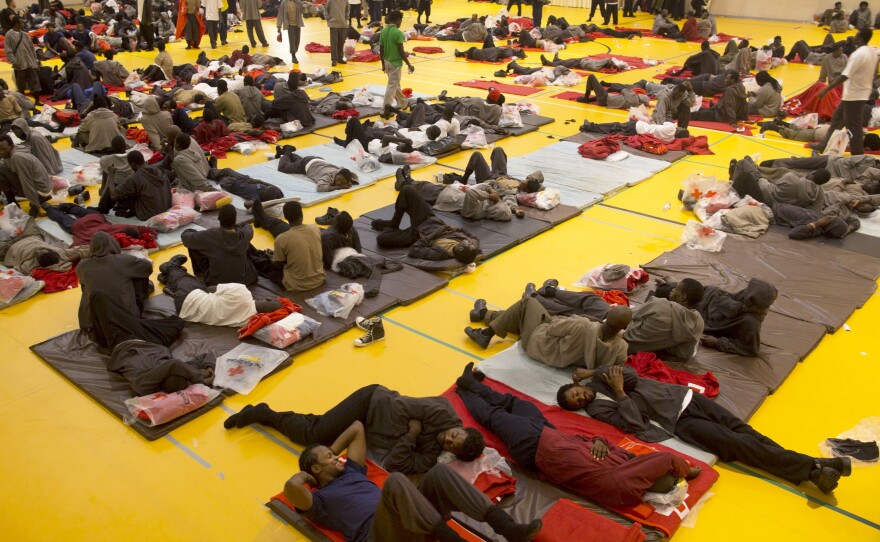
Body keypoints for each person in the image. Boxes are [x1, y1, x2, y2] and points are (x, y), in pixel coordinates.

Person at [557, 365, 852, 495]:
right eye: (576, 403)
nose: (580, 398)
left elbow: (631, 374)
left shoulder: (598, 379)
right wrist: (620, 393)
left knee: (745, 432)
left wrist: (598, 373)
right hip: (680, 423)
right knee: (735, 443)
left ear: (578, 385)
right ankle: (813, 469)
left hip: (686, 398)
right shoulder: (598, 409)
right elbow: (634, 423)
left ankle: (815, 468)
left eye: (576, 393)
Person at [456, 364, 700, 508]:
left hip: (536, 445)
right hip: (549, 436)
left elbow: (667, 460)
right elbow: (611, 449)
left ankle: (463, 388)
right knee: (516, 403)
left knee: (493, 415)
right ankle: (474, 385)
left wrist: (686, 471)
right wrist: (599, 441)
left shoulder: (625, 481)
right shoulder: (627, 481)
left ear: (647, 477)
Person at [282, 420, 542, 541]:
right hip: (380, 535)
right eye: (329, 457)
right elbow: (292, 487)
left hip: (411, 520)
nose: (336, 457)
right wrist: (308, 473)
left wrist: (325, 454)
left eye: (334, 454)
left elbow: (357, 427)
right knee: (395, 481)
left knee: (439, 473)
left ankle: (508, 529)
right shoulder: (318, 501)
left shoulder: (351, 470)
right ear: (315, 469)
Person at [225, 384, 487, 474]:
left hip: (368, 424)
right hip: (371, 401)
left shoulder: (433, 453)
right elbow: (399, 405)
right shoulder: (443, 411)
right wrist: (401, 439)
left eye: (452, 446)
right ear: (458, 428)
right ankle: (263, 413)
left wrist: (411, 435)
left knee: (320, 428)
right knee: (314, 437)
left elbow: (396, 463)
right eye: (454, 436)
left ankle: (275, 415)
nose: (448, 441)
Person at [77, 232, 184, 352]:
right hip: (125, 316)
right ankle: (145, 292)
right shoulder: (123, 261)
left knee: (91, 285)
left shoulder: (82, 266)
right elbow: (147, 268)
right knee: (138, 275)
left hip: (93, 321)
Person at [464, 295, 632, 370]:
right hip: (561, 360)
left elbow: (552, 328)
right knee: (529, 315)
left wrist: (575, 319)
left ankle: (486, 334)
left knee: (528, 303)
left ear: (607, 315)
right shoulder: (620, 348)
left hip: (538, 346)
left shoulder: (581, 325)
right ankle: (484, 314)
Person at [157, 255, 280, 326]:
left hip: (190, 297)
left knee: (189, 279)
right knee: (195, 282)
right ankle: (168, 281)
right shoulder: (246, 321)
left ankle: (171, 268)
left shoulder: (242, 292)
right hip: (185, 313)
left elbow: (210, 289)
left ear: (268, 298)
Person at [372, 185, 481, 264]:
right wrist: (456, 228)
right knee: (407, 190)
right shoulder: (472, 246)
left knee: (381, 239)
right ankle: (393, 224)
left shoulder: (439, 254)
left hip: (417, 234)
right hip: (430, 219)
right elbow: (474, 237)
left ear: (461, 249)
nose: (467, 241)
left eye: (467, 243)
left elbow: (414, 250)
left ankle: (391, 227)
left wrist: (434, 234)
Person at [814, 29, 877, 155]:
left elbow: (845, 75)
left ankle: (857, 154)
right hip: (857, 93)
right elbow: (874, 73)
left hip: (855, 96)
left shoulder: (858, 54)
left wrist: (826, 89)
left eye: (856, 35)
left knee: (853, 127)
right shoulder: (872, 52)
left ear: (860, 39)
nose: (854, 37)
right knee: (837, 119)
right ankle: (824, 144)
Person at [623, 278, 705, 360]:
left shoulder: (660, 304)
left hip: (624, 340)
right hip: (647, 349)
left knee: (617, 312)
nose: (672, 290)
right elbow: (685, 354)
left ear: (683, 297)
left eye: (676, 288)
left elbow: (628, 314)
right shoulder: (698, 321)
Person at [180, 205, 258, 286]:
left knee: (194, 243)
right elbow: (248, 227)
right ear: (235, 220)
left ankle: (200, 274)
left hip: (216, 283)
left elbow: (185, 237)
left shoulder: (210, 235)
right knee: (245, 246)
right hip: (244, 281)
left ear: (219, 218)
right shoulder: (245, 234)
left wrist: (195, 232)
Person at [262, 201, 325, 291]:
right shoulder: (315, 229)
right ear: (302, 214)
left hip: (297, 285)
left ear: (286, 217)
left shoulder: (281, 239)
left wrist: (270, 258)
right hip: (319, 279)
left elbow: (279, 266)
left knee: (270, 271)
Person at [731, 155, 829, 211]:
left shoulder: (792, 178)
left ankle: (732, 190)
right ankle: (752, 168)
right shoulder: (818, 194)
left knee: (743, 163)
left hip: (762, 194)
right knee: (761, 174)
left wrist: (761, 178)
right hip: (776, 207)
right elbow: (814, 211)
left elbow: (769, 185)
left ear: (813, 172)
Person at [111, 151, 173, 220]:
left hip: (149, 214)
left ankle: (102, 209)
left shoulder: (135, 177)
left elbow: (113, 195)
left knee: (118, 192)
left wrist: (110, 174)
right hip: (167, 208)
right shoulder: (159, 170)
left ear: (132, 164)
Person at [0, 135, 52, 217]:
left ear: (11, 146)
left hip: (40, 191)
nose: (1, 152)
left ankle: (13, 204)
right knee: (2, 169)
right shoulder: (14, 150)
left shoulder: (17, 157)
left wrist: (36, 206)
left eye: (4, 149)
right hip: (44, 187)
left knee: (1, 171)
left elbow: (27, 182)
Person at [380, 11, 414, 120]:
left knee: (395, 84)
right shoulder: (398, 33)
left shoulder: (383, 31)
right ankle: (385, 109)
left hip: (386, 62)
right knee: (392, 86)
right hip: (395, 63)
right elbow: (401, 51)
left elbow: (381, 49)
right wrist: (409, 64)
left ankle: (404, 103)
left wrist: (382, 64)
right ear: (398, 20)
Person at [4, 16, 42, 106]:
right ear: (17, 23)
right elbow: (8, 51)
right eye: (21, 22)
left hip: (30, 63)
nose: (23, 24)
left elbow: (31, 48)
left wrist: (34, 60)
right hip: (19, 65)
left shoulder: (25, 34)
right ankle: (22, 102)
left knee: (35, 82)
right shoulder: (9, 35)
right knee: (21, 85)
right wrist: (14, 62)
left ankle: (37, 100)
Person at [576, 73, 650, 109]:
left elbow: (623, 90)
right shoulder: (634, 103)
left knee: (591, 76)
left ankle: (586, 98)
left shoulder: (634, 98)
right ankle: (589, 99)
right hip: (605, 99)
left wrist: (612, 89)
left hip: (604, 98)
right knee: (604, 92)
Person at [326, 0, 347, 67]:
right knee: (334, 42)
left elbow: (348, 9)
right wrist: (328, 18)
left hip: (343, 24)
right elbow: (325, 10)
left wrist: (346, 17)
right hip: (333, 25)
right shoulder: (330, 1)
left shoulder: (345, 1)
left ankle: (340, 58)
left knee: (341, 42)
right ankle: (334, 59)